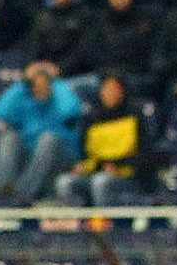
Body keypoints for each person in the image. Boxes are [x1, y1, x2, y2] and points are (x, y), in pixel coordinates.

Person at [0, 61, 82, 203]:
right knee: (9, 138)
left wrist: (56, 81)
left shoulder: (60, 101)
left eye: (45, 81)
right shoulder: (27, 103)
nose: (40, 84)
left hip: (61, 159)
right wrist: (23, 83)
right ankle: (2, 192)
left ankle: (20, 195)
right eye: (36, 80)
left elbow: (71, 110)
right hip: (31, 161)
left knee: (48, 139)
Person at [53, 73, 150, 207]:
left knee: (101, 182)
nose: (110, 93)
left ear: (122, 91)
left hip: (127, 176)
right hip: (96, 171)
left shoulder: (135, 116)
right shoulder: (91, 119)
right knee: (64, 182)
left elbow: (144, 155)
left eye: (114, 89)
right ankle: (76, 220)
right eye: (106, 88)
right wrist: (82, 166)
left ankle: (104, 220)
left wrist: (118, 166)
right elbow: (86, 155)